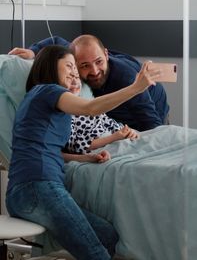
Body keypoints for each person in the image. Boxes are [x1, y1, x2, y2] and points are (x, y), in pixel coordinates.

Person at [6, 45, 160, 260]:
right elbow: (91, 108)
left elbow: (46, 150)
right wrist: (136, 87)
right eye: (69, 66)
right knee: (95, 253)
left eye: (76, 72)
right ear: (50, 65)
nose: (74, 73)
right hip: (36, 188)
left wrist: (84, 158)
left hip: (28, 191)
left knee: (108, 236)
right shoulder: (47, 91)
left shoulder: (41, 104)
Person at [9, 34, 169, 131]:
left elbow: (151, 122)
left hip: (152, 108)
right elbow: (55, 40)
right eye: (84, 66)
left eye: (99, 61)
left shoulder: (125, 77)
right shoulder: (73, 52)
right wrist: (33, 51)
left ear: (106, 54)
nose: (94, 71)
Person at [63, 73, 139, 156]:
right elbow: (78, 146)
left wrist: (127, 132)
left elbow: (109, 123)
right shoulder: (65, 114)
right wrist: (113, 137)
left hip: (116, 138)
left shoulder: (91, 104)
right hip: (101, 148)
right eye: (68, 78)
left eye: (77, 77)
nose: (75, 82)